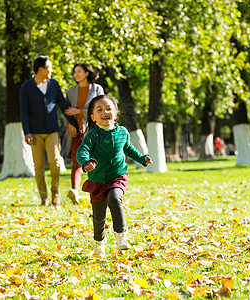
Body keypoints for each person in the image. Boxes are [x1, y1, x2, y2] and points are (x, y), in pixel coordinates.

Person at [76, 95, 153, 258]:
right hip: (97, 180)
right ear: (93, 117)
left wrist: (142, 158)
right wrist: (86, 162)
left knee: (115, 198)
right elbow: (82, 151)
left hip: (117, 176)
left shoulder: (122, 132)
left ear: (116, 113)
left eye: (109, 108)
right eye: (100, 109)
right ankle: (99, 245)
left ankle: (121, 236)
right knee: (99, 217)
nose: (105, 112)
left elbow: (129, 149)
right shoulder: (92, 135)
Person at [20, 56, 78, 206]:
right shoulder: (26, 88)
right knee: (38, 165)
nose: (51, 70)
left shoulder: (53, 85)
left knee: (55, 161)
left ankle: (55, 194)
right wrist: (26, 132)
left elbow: (63, 105)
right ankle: (44, 198)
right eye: (49, 67)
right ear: (41, 69)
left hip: (52, 130)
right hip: (34, 132)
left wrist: (73, 124)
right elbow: (24, 112)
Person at [64, 63, 104, 204]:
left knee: (94, 160)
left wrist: (79, 111)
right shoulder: (70, 91)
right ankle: (74, 191)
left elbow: (100, 109)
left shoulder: (97, 89)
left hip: (93, 131)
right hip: (76, 132)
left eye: (79, 71)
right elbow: (66, 112)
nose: (76, 75)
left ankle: (97, 189)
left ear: (87, 73)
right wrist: (69, 125)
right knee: (76, 161)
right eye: (74, 72)